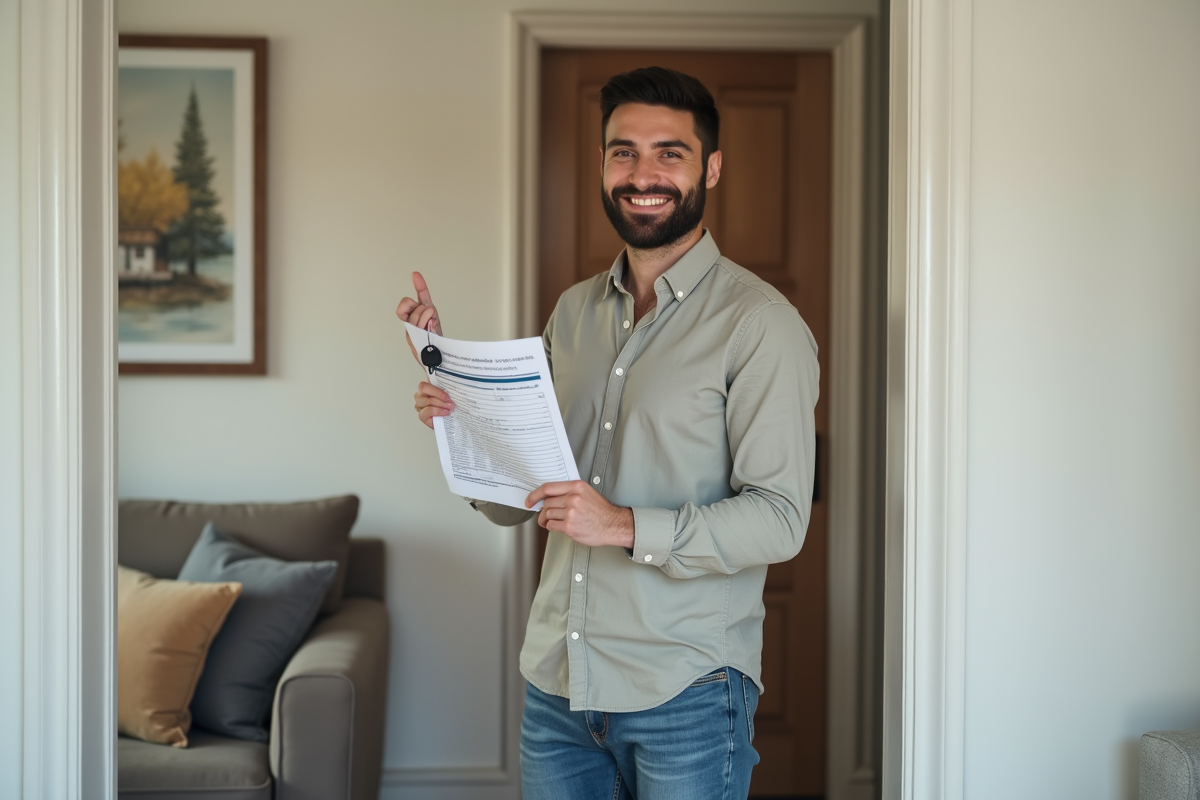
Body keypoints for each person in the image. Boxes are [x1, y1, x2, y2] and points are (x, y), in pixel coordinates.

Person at [397, 66, 819, 800]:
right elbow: (523, 496)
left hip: (685, 691)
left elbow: (781, 521)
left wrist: (624, 524)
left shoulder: (761, 325)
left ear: (711, 167)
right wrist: (462, 408)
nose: (642, 173)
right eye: (623, 151)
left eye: (669, 152)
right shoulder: (573, 314)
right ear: (601, 164)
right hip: (558, 683)